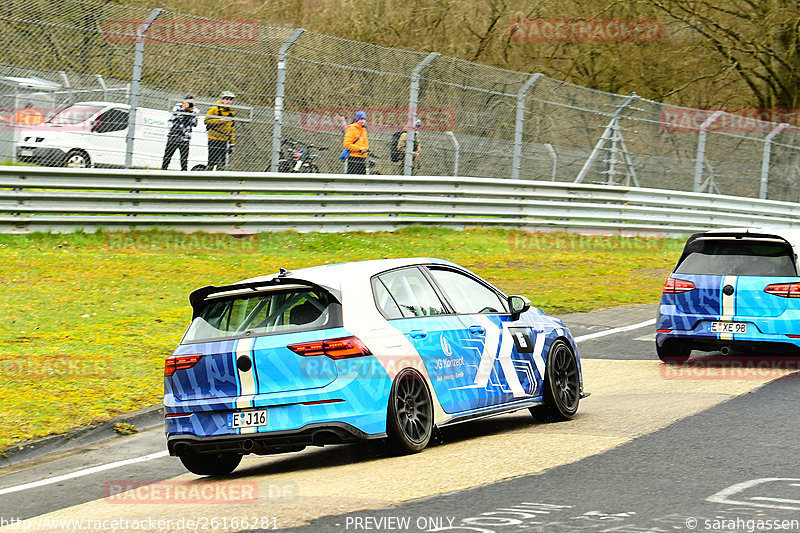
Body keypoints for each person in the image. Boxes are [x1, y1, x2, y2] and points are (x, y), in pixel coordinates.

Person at [161, 94, 198, 171]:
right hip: (174, 135)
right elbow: (175, 118)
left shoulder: (195, 110)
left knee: (184, 158)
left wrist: (190, 112)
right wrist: (184, 110)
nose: (190, 104)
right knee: (168, 155)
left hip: (185, 137)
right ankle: (163, 169)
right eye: (189, 102)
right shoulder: (178, 106)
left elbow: (194, 123)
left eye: (192, 102)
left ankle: (184, 172)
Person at [205, 91, 236, 170]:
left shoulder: (230, 112)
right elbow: (207, 121)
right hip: (214, 139)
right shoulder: (214, 109)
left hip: (224, 141)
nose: (228, 101)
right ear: (222, 99)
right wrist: (220, 120)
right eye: (226, 99)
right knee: (211, 162)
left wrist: (232, 143)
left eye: (230, 99)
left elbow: (231, 128)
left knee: (221, 164)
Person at [342, 110, 369, 174]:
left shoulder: (364, 130)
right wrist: (359, 149)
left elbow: (366, 143)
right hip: (354, 157)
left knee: (362, 180)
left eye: (364, 119)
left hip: (362, 158)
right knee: (352, 179)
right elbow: (347, 144)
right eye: (361, 119)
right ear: (357, 119)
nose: (363, 121)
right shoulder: (352, 128)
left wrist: (365, 149)